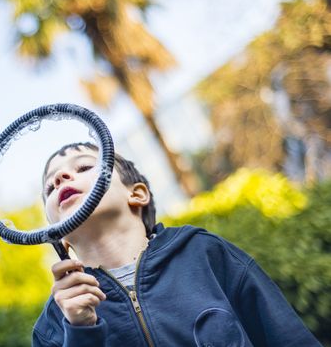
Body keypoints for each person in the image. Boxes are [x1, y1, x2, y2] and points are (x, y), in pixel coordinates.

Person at [33, 142, 321, 347]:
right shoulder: (54, 324)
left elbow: (287, 336)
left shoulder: (204, 254)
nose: (60, 178)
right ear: (62, 237)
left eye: (83, 166)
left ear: (137, 194)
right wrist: (81, 332)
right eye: (49, 187)